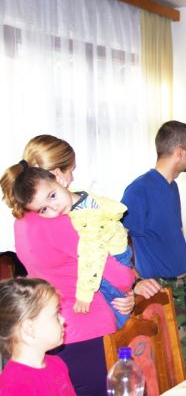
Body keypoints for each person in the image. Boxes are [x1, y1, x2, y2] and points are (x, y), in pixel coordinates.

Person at [0, 135, 134, 396]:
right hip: (88, 327)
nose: (72, 179)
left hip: (51, 329)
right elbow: (119, 278)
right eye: (71, 171)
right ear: (57, 174)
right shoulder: (64, 223)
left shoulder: (21, 220)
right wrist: (129, 281)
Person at [121, 120, 186, 376]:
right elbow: (116, 245)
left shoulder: (172, 188)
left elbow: (174, 239)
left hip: (180, 284)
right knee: (185, 364)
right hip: (158, 289)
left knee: (178, 364)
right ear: (179, 151)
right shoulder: (139, 190)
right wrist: (135, 281)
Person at [6, 165, 132, 328]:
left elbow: (93, 253)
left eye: (52, 196)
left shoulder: (21, 224)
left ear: (59, 179)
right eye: (44, 209)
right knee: (124, 318)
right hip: (88, 318)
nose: (55, 207)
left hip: (58, 316)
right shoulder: (73, 213)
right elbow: (118, 276)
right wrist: (129, 286)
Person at [0, 278, 75, 395]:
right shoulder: (14, 387)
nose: (63, 319)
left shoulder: (57, 364)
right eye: (56, 314)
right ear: (29, 329)